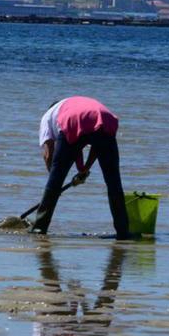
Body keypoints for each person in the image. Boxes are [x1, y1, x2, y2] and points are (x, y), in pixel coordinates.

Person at [33, 96, 130, 239]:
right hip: (106, 118)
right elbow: (95, 144)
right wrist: (84, 169)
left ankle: (39, 229)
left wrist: (55, 186)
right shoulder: (76, 105)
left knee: (55, 178)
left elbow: (48, 155)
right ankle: (123, 232)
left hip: (73, 121)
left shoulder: (48, 116)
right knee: (113, 181)